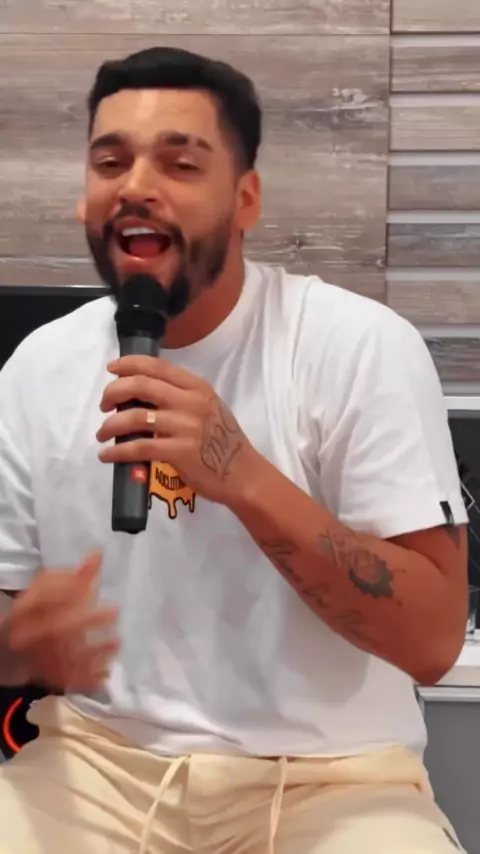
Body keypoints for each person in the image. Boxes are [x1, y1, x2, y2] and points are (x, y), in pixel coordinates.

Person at [0, 46, 469, 854]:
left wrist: (244, 477)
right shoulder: (39, 367)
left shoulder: (356, 345)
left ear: (245, 198)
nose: (135, 185)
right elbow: (10, 607)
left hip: (332, 782)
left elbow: (431, 644)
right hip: (94, 766)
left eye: (180, 163)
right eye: (110, 162)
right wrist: (15, 645)